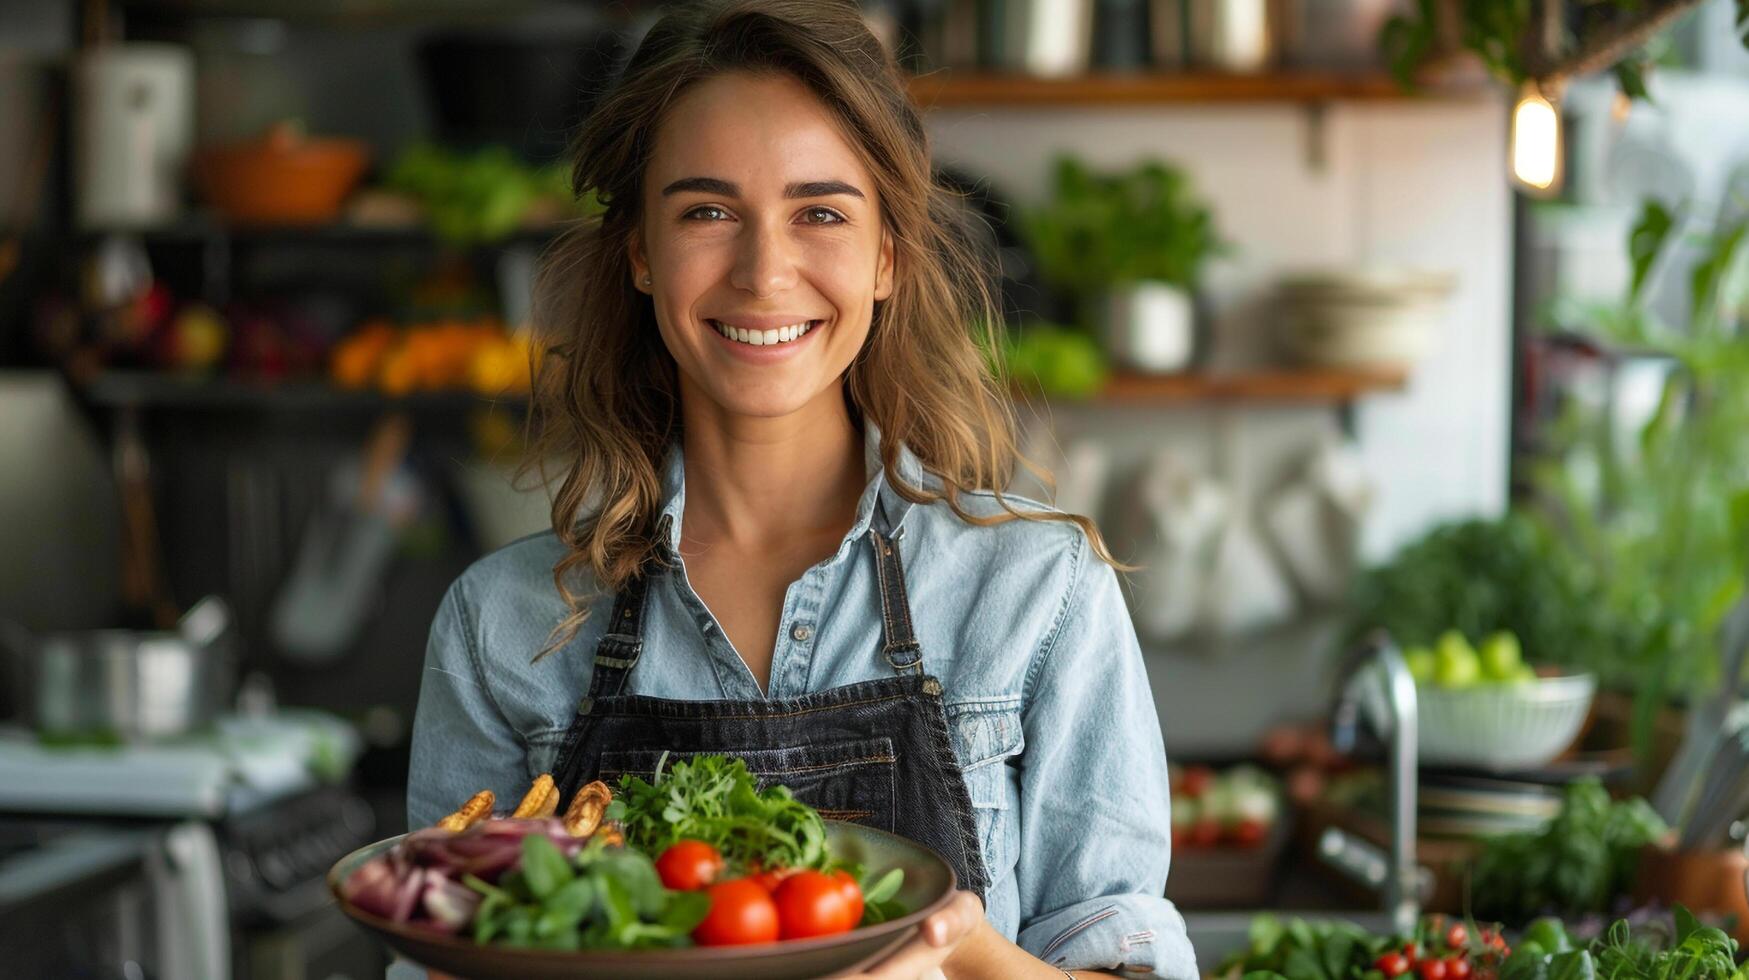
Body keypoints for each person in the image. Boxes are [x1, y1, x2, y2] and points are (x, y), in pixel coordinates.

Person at [407, 1, 1196, 976]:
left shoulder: (1039, 590)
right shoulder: (502, 625)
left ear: (888, 256)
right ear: (642, 253)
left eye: (819, 211)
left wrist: (973, 961)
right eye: (707, 212)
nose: (764, 271)